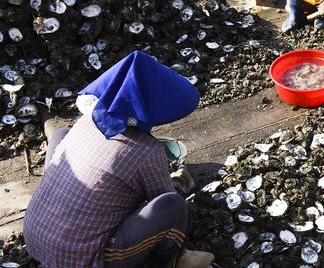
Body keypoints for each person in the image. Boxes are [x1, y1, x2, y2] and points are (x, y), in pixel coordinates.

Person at [24, 51, 214, 268]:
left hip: (33, 236)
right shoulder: (148, 151)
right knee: (175, 206)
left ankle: (55, 200)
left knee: (60, 135)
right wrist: (179, 184)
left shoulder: (85, 122)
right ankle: (176, 259)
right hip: (82, 260)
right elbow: (163, 199)